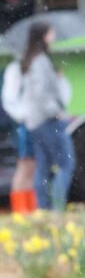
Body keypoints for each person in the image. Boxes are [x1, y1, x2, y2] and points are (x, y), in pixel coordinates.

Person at [20, 22, 76, 211]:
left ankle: (43, 208)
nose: (54, 36)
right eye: (51, 33)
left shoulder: (33, 60)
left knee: (43, 165)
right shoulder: (40, 61)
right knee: (66, 164)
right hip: (48, 120)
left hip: (37, 121)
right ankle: (56, 207)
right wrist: (56, 112)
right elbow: (41, 93)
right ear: (43, 36)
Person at [1, 59, 37, 213]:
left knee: (28, 166)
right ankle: (22, 209)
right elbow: (10, 101)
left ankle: (28, 208)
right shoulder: (15, 68)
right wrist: (24, 116)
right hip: (22, 123)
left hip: (23, 122)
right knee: (24, 165)